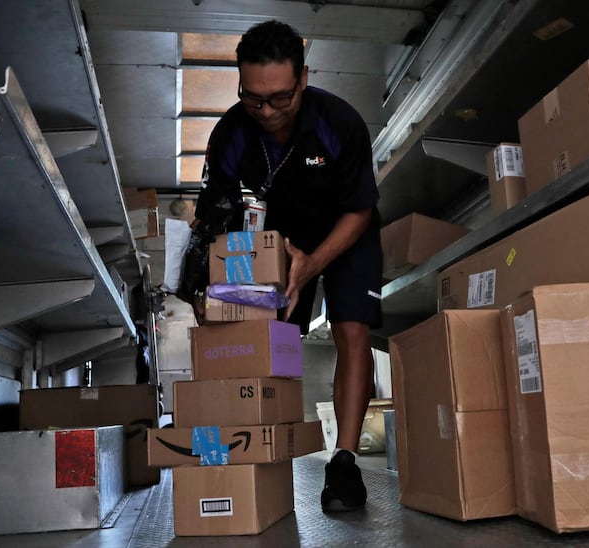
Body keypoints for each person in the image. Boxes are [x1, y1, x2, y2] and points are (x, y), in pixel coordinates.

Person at [191, 19, 383, 512]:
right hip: (273, 241)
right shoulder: (231, 134)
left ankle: (344, 463)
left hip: (345, 231)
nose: (267, 111)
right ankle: (257, 446)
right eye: (254, 98)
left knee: (352, 328)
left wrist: (311, 263)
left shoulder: (339, 123)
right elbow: (214, 221)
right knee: (264, 335)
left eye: (280, 98)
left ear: (302, 79)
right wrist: (209, 291)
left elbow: (360, 208)